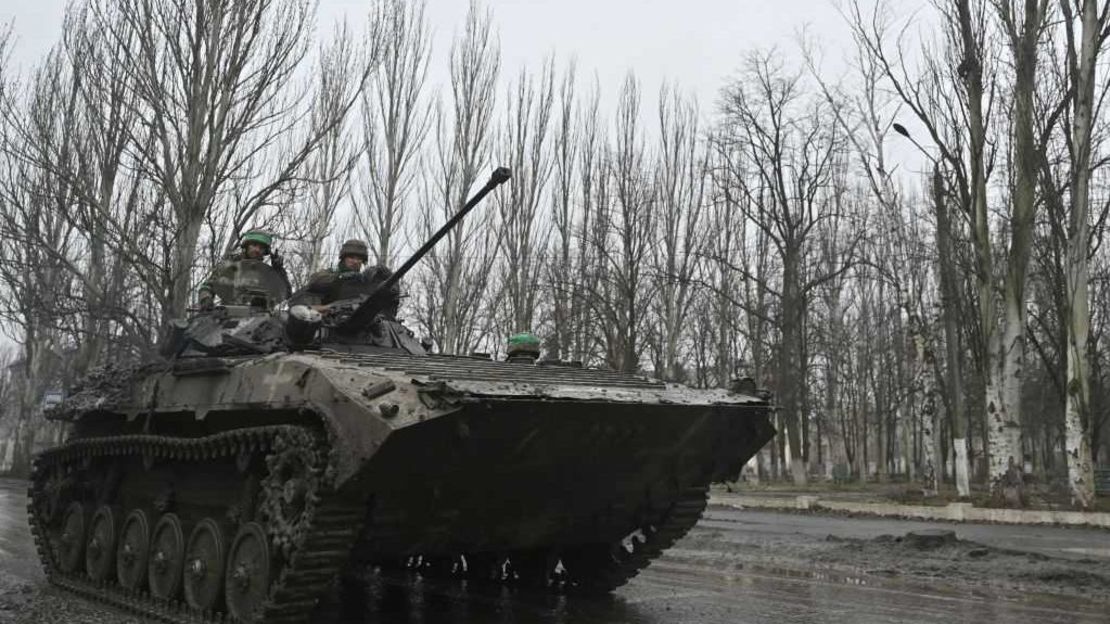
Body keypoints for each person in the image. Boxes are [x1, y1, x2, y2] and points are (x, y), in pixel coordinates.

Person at [296, 240, 401, 317]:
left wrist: (387, 276)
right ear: (343, 258)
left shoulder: (363, 282)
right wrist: (340, 278)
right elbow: (314, 281)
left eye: (359, 259)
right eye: (351, 257)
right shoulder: (331, 273)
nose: (355, 261)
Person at [197, 230, 291, 310]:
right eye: (254, 245)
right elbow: (208, 286)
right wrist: (206, 300)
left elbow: (286, 293)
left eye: (261, 248)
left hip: (261, 318)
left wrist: (279, 270)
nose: (257, 250)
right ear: (246, 246)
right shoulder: (230, 265)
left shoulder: (267, 272)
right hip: (230, 314)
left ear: (265, 252)